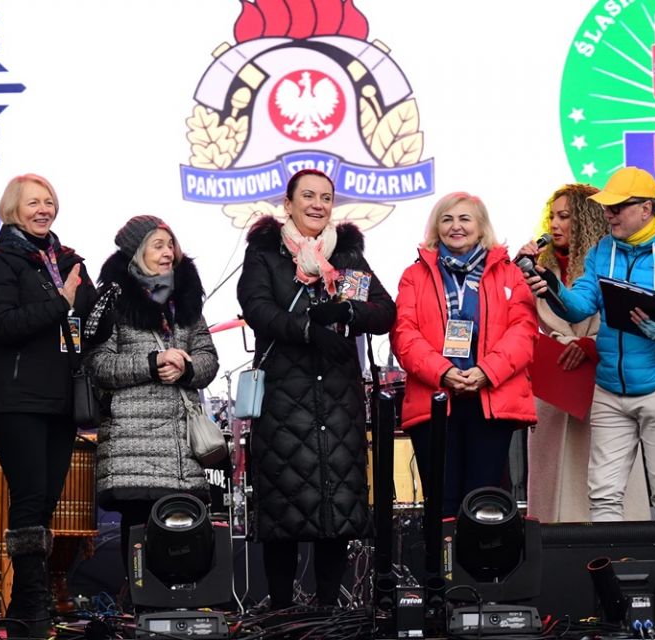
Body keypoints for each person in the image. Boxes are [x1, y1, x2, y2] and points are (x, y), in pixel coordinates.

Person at [236, 169, 396, 609]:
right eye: (307, 196)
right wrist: (309, 330)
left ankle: (329, 609)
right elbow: (257, 308)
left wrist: (347, 310)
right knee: (284, 508)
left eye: (326, 197)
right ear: (287, 204)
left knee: (338, 510)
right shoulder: (265, 253)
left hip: (338, 401)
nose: (317, 204)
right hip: (283, 401)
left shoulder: (346, 256)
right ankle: (282, 610)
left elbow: (384, 311)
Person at [526, 167, 655, 521]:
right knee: (603, 495)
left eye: (617, 208)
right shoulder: (600, 251)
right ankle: (608, 574)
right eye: (607, 208)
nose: (608, 214)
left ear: (646, 208)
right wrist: (553, 288)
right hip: (609, 389)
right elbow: (581, 304)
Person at [0, 174, 97, 638]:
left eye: (49, 201)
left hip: (62, 399)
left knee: (45, 502)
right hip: (16, 398)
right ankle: (32, 604)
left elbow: (88, 321)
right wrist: (60, 303)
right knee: (28, 500)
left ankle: (28, 603)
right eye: (33, 203)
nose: (43, 209)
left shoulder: (70, 261)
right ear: (13, 209)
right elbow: (3, 326)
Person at [84, 215, 219, 577]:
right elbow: (99, 364)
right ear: (135, 252)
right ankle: (136, 605)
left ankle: (176, 608)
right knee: (140, 529)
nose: (167, 253)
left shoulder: (186, 301)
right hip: (133, 444)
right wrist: (153, 362)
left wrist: (187, 368)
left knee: (183, 532)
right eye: (157, 245)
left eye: (170, 244)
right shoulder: (112, 299)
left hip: (181, 446)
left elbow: (209, 358)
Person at [390, 192, 537, 518]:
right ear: (436, 227)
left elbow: (523, 332)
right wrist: (442, 373)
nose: (456, 226)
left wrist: (487, 371)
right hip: (435, 400)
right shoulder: (414, 275)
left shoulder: (510, 274)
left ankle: (478, 571)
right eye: (447, 219)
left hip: (491, 400)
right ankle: (440, 570)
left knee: (484, 503)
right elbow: (403, 334)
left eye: (464, 218)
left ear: (481, 226)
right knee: (442, 504)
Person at [520, 184, 649, 522]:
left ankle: (616, 552)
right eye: (552, 216)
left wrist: (591, 345)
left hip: (605, 382)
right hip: (554, 386)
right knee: (552, 479)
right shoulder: (539, 268)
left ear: (587, 220)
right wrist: (521, 271)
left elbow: (634, 319)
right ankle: (551, 553)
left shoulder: (617, 262)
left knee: (603, 476)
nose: (555, 224)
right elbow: (516, 320)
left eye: (565, 216)